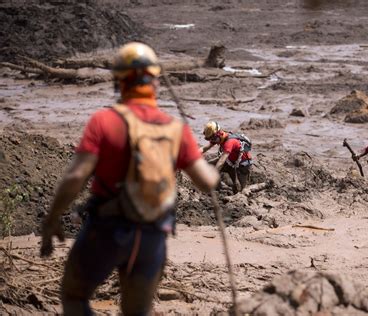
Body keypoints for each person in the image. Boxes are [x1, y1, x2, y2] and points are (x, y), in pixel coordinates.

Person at [40, 42, 219, 316]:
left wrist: (52, 218)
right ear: (156, 82)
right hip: (151, 237)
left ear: (119, 81)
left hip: (106, 230)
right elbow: (207, 181)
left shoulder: (104, 121)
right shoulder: (175, 128)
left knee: (74, 296)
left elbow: (76, 176)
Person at [201, 121, 252, 194]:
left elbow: (221, 162)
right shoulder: (218, 137)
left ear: (219, 134)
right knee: (208, 165)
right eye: (209, 139)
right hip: (230, 161)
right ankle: (219, 187)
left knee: (241, 191)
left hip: (243, 165)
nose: (212, 141)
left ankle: (263, 185)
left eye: (213, 138)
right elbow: (204, 148)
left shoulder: (229, 142)